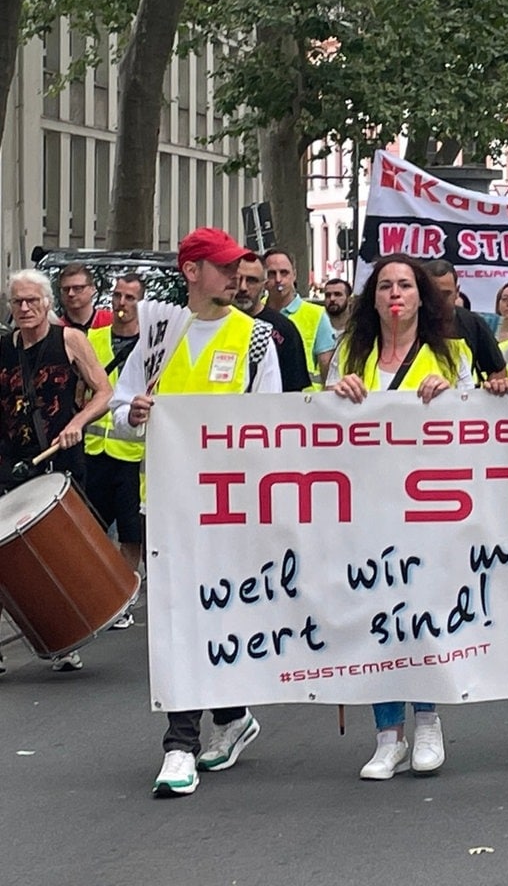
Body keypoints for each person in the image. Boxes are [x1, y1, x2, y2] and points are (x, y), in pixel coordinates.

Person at [110, 228, 282, 796]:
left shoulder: (257, 340)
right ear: (192, 271)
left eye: (238, 268)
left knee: (217, 614)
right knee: (179, 618)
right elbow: (118, 408)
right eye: (224, 267)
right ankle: (184, 742)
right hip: (164, 503)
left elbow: (271, 429)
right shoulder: (158, 335)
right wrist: (131, 414)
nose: (236, 278)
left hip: (228, 509)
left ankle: (226, 719)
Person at [329, 254, 474, 779]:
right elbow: (316, 425)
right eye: (385, 285)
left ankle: (429, 721)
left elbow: (476, 424)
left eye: (406, 285)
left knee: (423, 612)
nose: (396, 294)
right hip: (366, 507)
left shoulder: (451, 354)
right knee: (377, 618)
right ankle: (387, 736)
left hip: (429, 508)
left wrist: (452, 397)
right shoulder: (351, 352)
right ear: (373, 297)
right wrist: (335, 394)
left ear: (421, 297)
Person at [1, 269, 115, 671]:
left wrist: (76, 423)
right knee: (9, 557)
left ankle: (64, 636)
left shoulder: (69, 340)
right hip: (11, 461)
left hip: (60, 458)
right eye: (18, 302)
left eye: (33, 300)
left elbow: (104, 392)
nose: (26, 308)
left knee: (53, 551)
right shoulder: (3, 348)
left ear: (48, 303)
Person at [84, 273, 147, 619]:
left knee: (130, 532)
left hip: (132, 454)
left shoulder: (151, 343)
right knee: (92, 528)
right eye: (118, 296)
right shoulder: (94, 338)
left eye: (129, 298)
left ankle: (125, 595)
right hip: (96, 452)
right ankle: (105, 591)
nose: (121, 304)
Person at [235, 257, 312, 392]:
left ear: (264, 284)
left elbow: (293, 390)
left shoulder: (284, 329)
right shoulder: (217, 324)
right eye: (237, 279)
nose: (243, 287)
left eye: (251, 280)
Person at [422, 259, 506, 381]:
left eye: (446, 294)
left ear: (457, 292)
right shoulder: (408, 322)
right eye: (433, 294)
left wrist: (492, 393)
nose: (439, 300)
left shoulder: (473, 323)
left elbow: (497, 371)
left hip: (462, 398)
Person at [261, 248, 335, 383]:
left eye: (284, 273)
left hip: (303, 400)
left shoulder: (316, 315)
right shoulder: (254, 313)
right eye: (271, 273)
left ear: (294, 275)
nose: (278, 279)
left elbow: (329, 373)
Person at [57, 262, 112, 331]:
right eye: (65, 289)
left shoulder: (111, 322)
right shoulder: (55, 328)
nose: (70, 293)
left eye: (77, 288)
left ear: (92, 289)